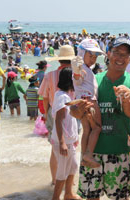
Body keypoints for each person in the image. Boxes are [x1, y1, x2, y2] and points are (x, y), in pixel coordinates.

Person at [72, 37, 130, 200]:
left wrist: (125, 99)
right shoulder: (92, 79)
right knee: (91, 197)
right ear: (108, 54)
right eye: (117, 53)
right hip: (93, 151)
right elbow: (74, 111)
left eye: (125, 55)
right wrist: (77, 110)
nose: (120, 58)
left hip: (119, 151)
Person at [38, 45, 75, 186]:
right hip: (72, 114)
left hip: (54, 113)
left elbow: (44, 97)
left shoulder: (49, 75)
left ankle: (55, 179)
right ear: (71, 61)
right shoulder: (75, 75)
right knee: (71, 147)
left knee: (54, 149)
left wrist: (45, 114)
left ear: (59, 60)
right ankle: (68, 182)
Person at [71, 39, 103, 168]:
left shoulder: (84, 68)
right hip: (90, 101)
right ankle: (88, 155)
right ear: (81, 53)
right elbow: (77, 80)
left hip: (81, 101)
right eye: (90, 56)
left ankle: (84, 156)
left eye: (95, 57)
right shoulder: (82, 69)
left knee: (86, 130)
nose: (93, 59)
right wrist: (77, 73)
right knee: (97, 128)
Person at [51, 67, 81, 200]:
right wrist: (62, 142)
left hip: (69, 141)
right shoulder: (62, 97)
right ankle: (55, 197)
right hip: (63, 142)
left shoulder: (64, 95)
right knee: (62, 173)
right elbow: (58, 120)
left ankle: (68, 193)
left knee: (73, 166)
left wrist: (74, 137)